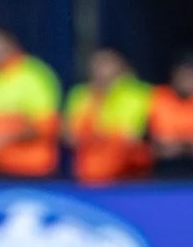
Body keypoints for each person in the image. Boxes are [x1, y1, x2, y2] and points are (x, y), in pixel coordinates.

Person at [0, 25, 60, 177]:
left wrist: (6, 137)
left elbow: (48, 126)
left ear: (8, 42)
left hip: (32, 173)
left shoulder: (33, 75)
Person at [65, 46, 153, 183]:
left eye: (106, 63)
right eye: (96, 63)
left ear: (122, 65)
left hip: (129, 177)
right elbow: (70, 136)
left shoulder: (140, 94)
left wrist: (96, 136)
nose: (100, 69)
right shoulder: (80, 94)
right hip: (87, 178)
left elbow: (133, 136)